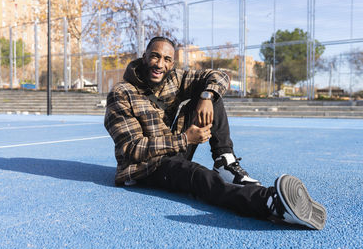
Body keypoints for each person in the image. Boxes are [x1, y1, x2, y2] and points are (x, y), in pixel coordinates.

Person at [104, 36, 326, 230]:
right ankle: (269, 203)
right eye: (155, 56)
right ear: (144, 56)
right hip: (146, 167)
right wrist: (185, 139)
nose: (160, 64)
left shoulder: (174, 79)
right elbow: (131, 149)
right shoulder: (122, 94)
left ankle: (224, 161)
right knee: (200, 177)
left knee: (209, 94)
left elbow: (220, 76)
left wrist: (207, 96)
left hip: (175, 149)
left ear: (172, 63)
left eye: (167, 59)